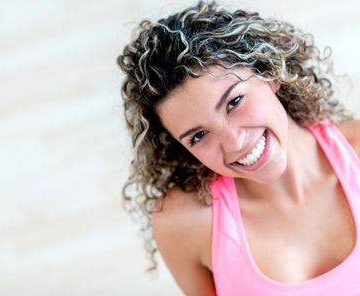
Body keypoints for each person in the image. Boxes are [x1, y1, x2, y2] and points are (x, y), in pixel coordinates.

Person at [117, 1, 360, 295]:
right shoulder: (184, 222)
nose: (234, 143)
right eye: (199, 135)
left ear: (269, 73)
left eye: (234, 102)